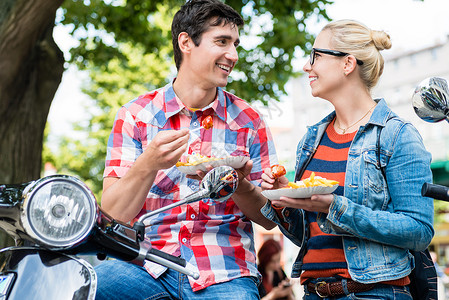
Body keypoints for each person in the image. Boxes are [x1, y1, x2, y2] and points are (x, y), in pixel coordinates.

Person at [94, 0, 277, 299]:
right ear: (186, 42)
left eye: (235, 44)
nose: (233, 55)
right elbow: (114, 214)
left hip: (224, 272)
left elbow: (270, 218)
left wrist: (239, 185)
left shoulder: (250, 122)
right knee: (84, 288)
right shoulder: (135, 115)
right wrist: (148, 163)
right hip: (144, 264)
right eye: (222, 42)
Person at [260, 19, 434, 299]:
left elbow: (419, 230)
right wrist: (284, 201)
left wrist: (336, 208)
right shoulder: (311, 139)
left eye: (315, 55)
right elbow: (310, 236)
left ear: (347, 63)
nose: (307, 66)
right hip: (313, 293)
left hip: (373, 293)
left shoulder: (396, 135)